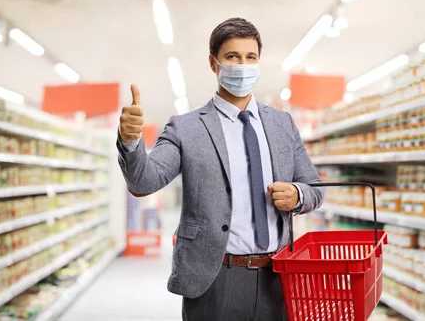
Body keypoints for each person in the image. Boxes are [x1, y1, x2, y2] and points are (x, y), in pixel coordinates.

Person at [117, 17, 324, 321]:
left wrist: (298, 194)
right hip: (214, 279)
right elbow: (144, 181)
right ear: (214, 64)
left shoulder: (283, 125)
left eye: (250, 57)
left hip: (277, 278)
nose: (243, 65)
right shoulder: (186, 128)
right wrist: (130, 140)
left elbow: (315, 189)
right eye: (232, 57)